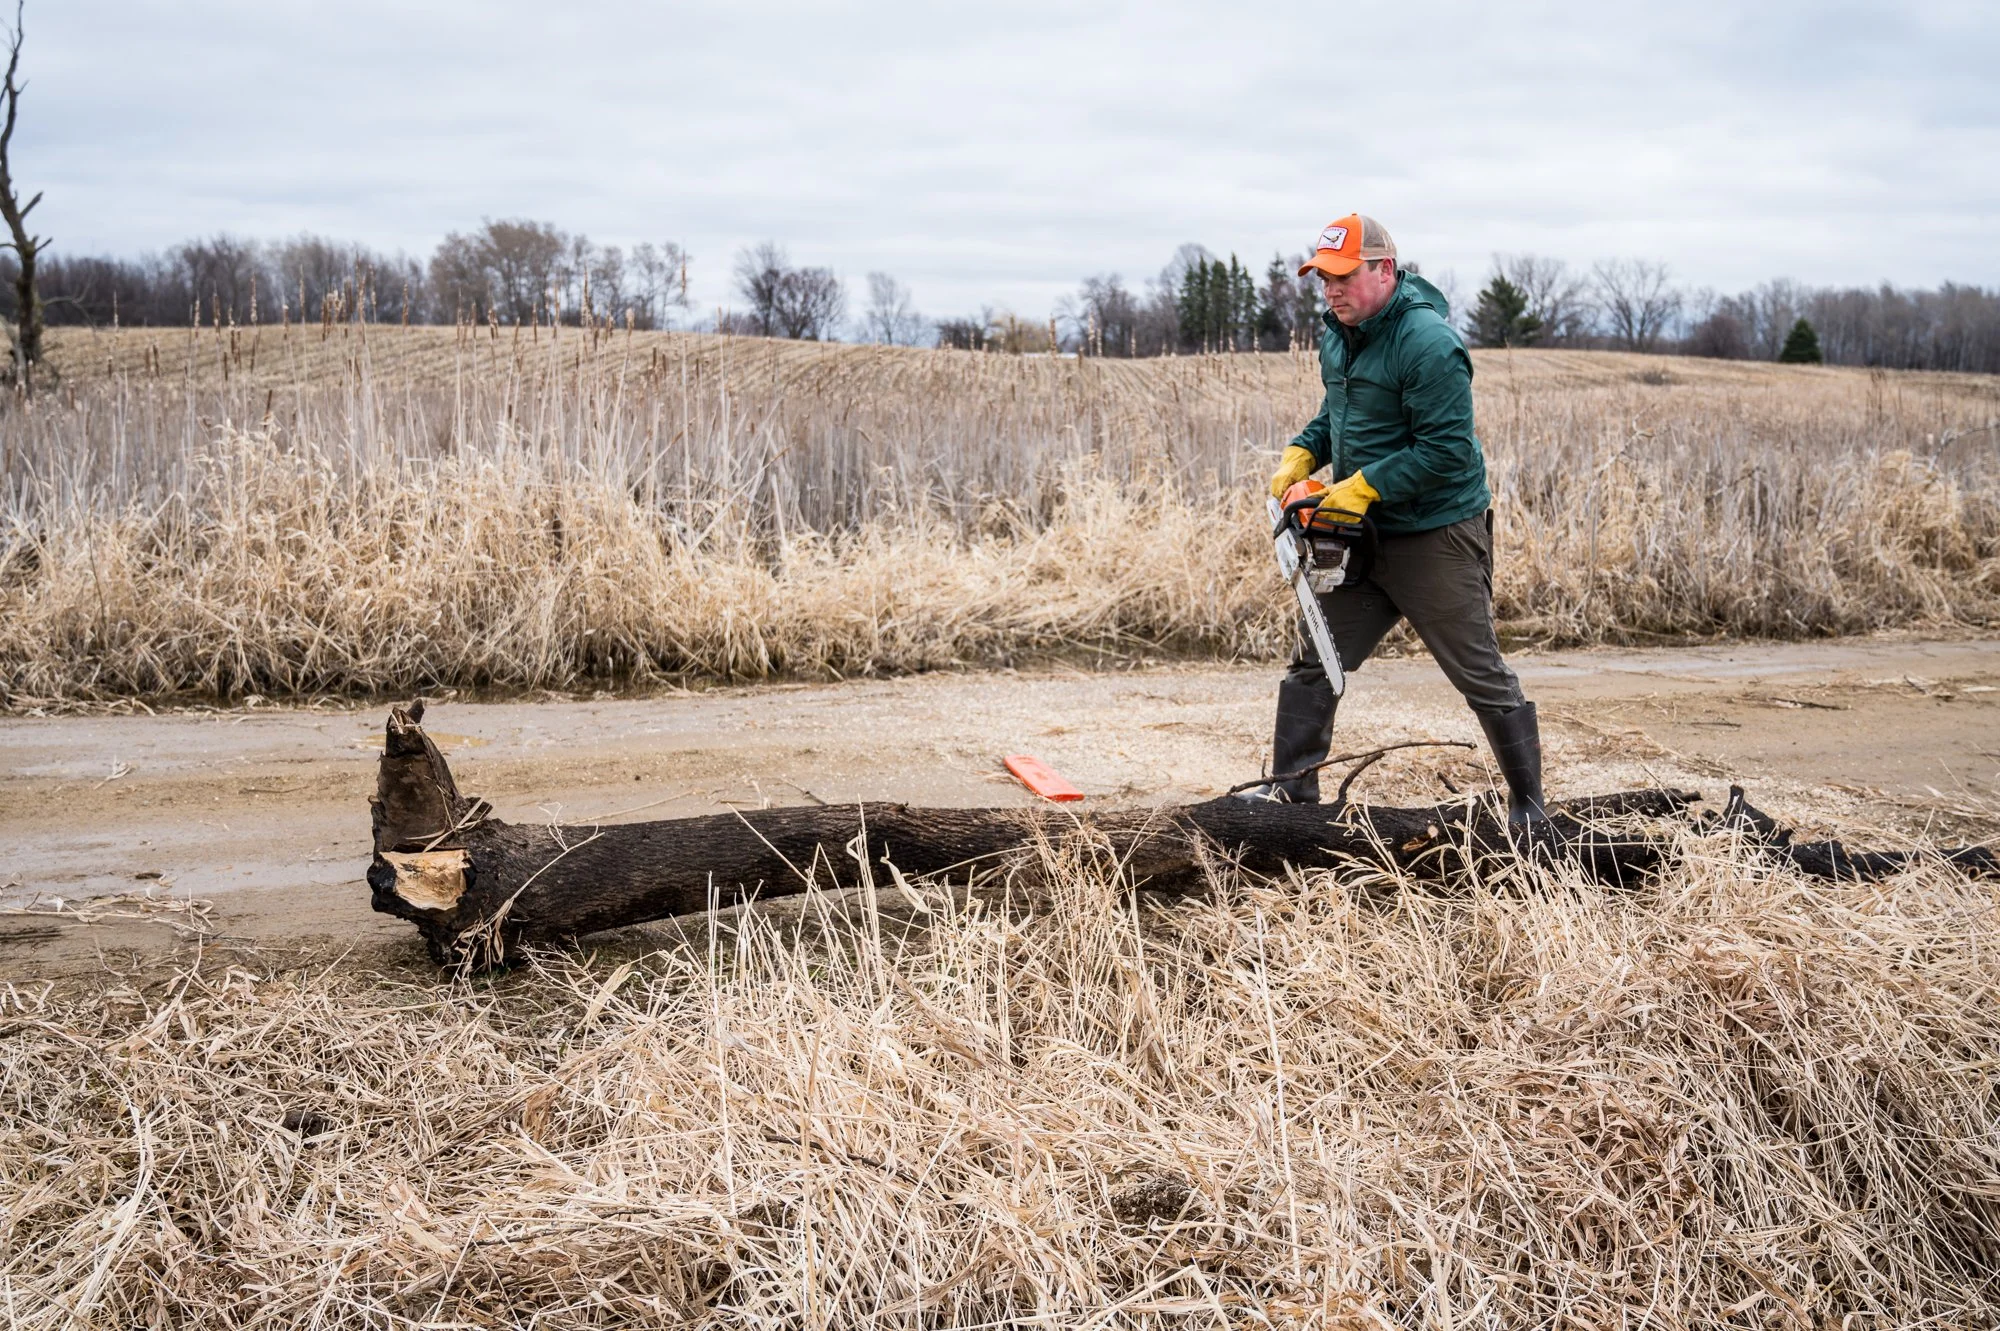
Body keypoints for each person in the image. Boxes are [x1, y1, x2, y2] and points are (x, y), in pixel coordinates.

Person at [1235, 213, 1546, 824]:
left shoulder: (1429, 343)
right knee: (1315, 658)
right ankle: (1291, 794)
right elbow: (1341, 414)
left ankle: (1531, 812)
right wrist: (1305, 449)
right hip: (1360, 534)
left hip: (1436, 535)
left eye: (1343, 277)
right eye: (1322, 278)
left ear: (1384, 269)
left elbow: (1447, 451)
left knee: (1479, 672)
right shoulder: (1340, 332)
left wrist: (1365, 485)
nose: (1330, 290)